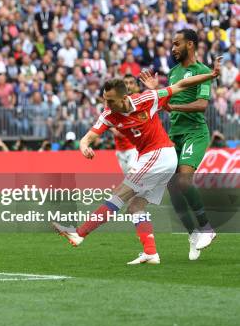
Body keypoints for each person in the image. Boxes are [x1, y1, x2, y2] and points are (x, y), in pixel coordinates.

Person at [53, 60, 220, 265]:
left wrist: (211, 75)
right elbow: (88, 136)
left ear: (124, 98)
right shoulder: (109, 115)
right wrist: (84, 146)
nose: (107, 105)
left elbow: (180, 86)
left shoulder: (147, 98)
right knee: (135, 207)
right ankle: (151, 253)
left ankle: (80, 233)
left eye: (111, 101)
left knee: (119, 194)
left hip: (160, 155)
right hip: (151, 159)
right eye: (105, 100)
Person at [140, 29, 218, 261]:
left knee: (184, 180)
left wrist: (175, 108)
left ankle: (206, 227)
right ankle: (193, 233)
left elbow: (202, 105)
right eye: (172, 44)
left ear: (190, 45)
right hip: (174, 135)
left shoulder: (202, 72)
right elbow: (166, 101)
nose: (172, 48)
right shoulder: (173, 73)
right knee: (172, 188)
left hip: (195, 133)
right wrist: (156, 91)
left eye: (177, 44)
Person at [111, 75, 140, 174]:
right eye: (125, 83)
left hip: (134, 148)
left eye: (131, 83)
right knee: (128, 176)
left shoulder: (139, 102)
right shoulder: (114, 104)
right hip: (120, 149)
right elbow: (108, 122)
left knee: (133, 173)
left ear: (136, 86)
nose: (128, 86)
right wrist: (114, 129)